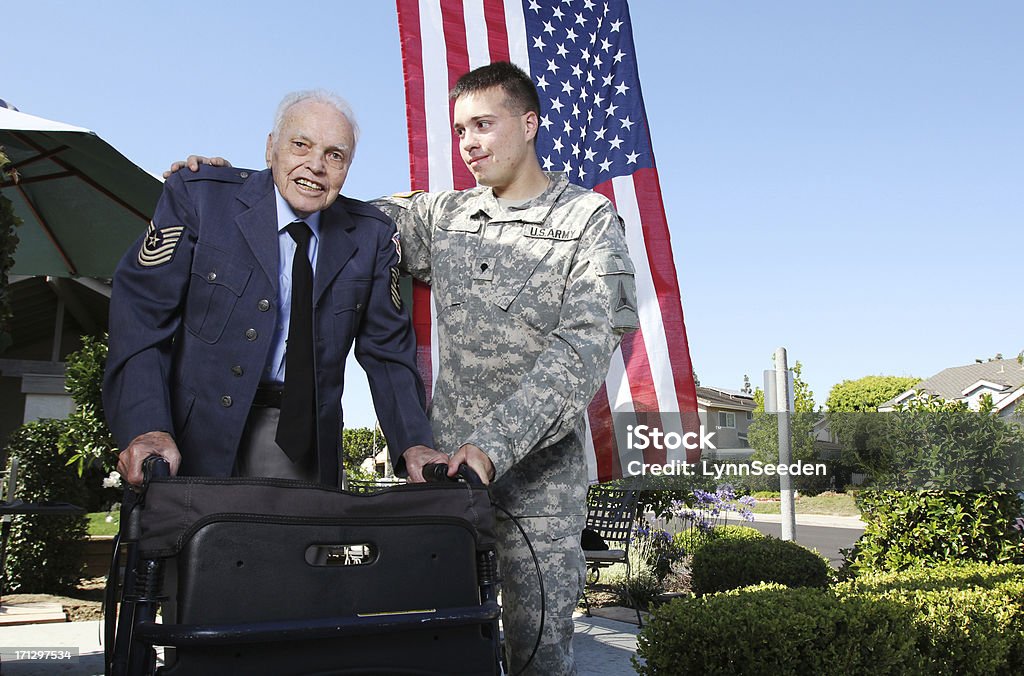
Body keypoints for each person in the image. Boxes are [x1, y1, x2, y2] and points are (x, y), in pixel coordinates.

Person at [172, 62, 639, 675]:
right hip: (445, 478)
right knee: (441, 645)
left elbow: (580, 350)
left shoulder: (589, 222)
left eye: (484, 125)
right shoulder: (441, 217)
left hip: (540, 489)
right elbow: (320, 196)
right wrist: (221, 183)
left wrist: (493, 446)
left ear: (528, 124)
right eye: (460, 129)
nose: (469, 143)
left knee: (536, 647)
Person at [104, 90, 445, 489]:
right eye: (300, 145)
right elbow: (141, 319)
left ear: (348, 166)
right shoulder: (201, 198)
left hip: (305, 447)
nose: (315, 166)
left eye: (335, 155)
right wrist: (147, 427)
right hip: (191, 438)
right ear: (270, 148)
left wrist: (414, 445)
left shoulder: (372, 236)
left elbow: (387, 352)